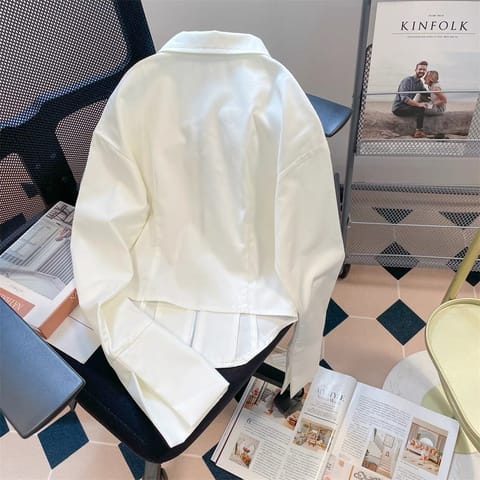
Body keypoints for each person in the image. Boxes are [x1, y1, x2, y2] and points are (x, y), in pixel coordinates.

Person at [392, 61, 429, 138]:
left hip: (407, 106)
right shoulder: (407, 81)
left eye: (424, 70)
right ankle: (418, 132)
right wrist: (418, 104)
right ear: (415, 70)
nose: (422, 71)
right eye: (420, 69)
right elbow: (404, 99)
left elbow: (425, 93)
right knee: (420, 108)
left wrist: (434, 89)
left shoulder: (420, 83)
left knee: (423, 106)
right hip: (399, 107)